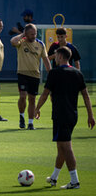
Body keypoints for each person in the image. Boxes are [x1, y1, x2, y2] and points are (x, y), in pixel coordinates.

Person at [34, 46, 95, 189]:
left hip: (60, 115)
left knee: (66, 147)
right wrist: (90, 115)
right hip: (72, 115)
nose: (55, 58)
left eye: (55, 56)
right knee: (61, 147)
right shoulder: (77, 73)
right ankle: (54, 178)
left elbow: (45, 94)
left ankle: (75, 181)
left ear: (60, 57)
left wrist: (37, 108)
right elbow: (86, 95)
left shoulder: (54, 73)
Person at [10, 23, 51, 130]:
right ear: (26, 34)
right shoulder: (21, 42)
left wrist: (51, 75)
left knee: (32, 99)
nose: (34, 36)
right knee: (23, 96)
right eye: (31, 34)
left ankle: (31, 123)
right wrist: (22, 34)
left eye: (35, 33)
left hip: (35, 75)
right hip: (22, 74)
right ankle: (21, 116)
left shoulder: (40, 44)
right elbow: (12, 41)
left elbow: (46, 61)